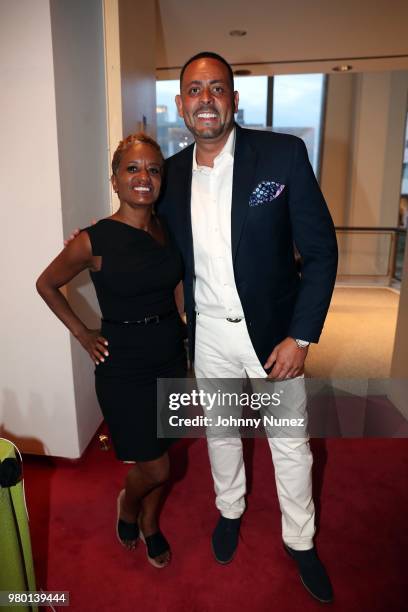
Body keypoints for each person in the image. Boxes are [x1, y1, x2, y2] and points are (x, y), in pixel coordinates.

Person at [156, 52, 338, 602]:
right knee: (220, 433)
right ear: (181, 104)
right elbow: (143, 237)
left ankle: (300, 541)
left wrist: (300, 336)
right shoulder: (170, 176)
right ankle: (229, 510)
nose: (204, 99)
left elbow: (322, 252)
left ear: (234, 101)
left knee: (289, 445)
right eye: (194, 89)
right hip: (207, 335)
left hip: (273, 337)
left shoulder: (283, 156)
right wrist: (91, 241)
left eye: (216, 88)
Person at [36, 133, 186, 568]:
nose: (144, 177)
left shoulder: (166, 230)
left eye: (153, 169)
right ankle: (127, 505)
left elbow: (174, 282)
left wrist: (184, 320)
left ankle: (152, 524)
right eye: (133, 169)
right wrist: (83, 333)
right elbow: (45, 284)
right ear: (116, 180)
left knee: (166, 453)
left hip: (170, 354)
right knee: (155, 467)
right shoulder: (93, 239)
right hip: (124, 366)